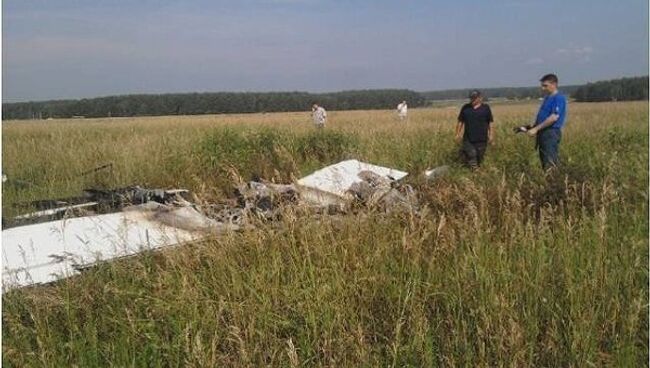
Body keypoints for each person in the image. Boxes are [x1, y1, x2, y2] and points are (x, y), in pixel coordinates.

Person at [524, 74, 568, 170]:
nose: (542, 88)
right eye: (542, 85)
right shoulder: (547, 98)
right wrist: (528, 127)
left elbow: (553, 117)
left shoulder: (559, 98)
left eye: (545, 85)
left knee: (549, 161)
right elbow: (543, 117)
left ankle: (552, 181)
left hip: (550, 132)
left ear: (554, 84)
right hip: (543, 132)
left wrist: (536, 129)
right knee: (544, 160)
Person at [455, 90, 494, 170]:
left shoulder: (486, 108)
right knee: (472, 154)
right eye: (471, 98)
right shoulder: (465, 108)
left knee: (479, 158)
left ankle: (466, 162)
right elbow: (460, 122)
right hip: (468, 139)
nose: (473, 100)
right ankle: (475, 171)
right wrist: (457, 134)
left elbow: (490, 122)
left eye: (475, 98)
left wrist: (491, 134)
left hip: (482, 139)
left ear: (480, 98)